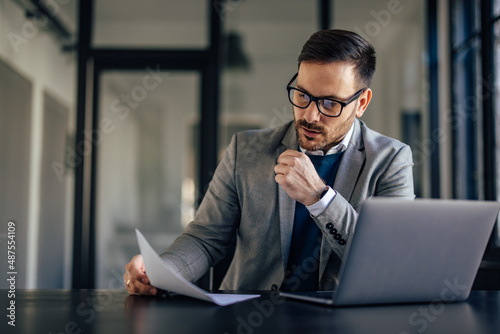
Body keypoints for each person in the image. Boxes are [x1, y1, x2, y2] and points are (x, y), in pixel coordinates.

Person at [124, 29, 415, 295]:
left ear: (361, 103)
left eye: (329, 103)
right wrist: (160, 272)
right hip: (247, 316)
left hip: (340, 321)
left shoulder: (391, 160)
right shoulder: (245, 150)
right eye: (302, 95)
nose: (310, 116)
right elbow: (205, 238)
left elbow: (390, 258)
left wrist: (320, 198)